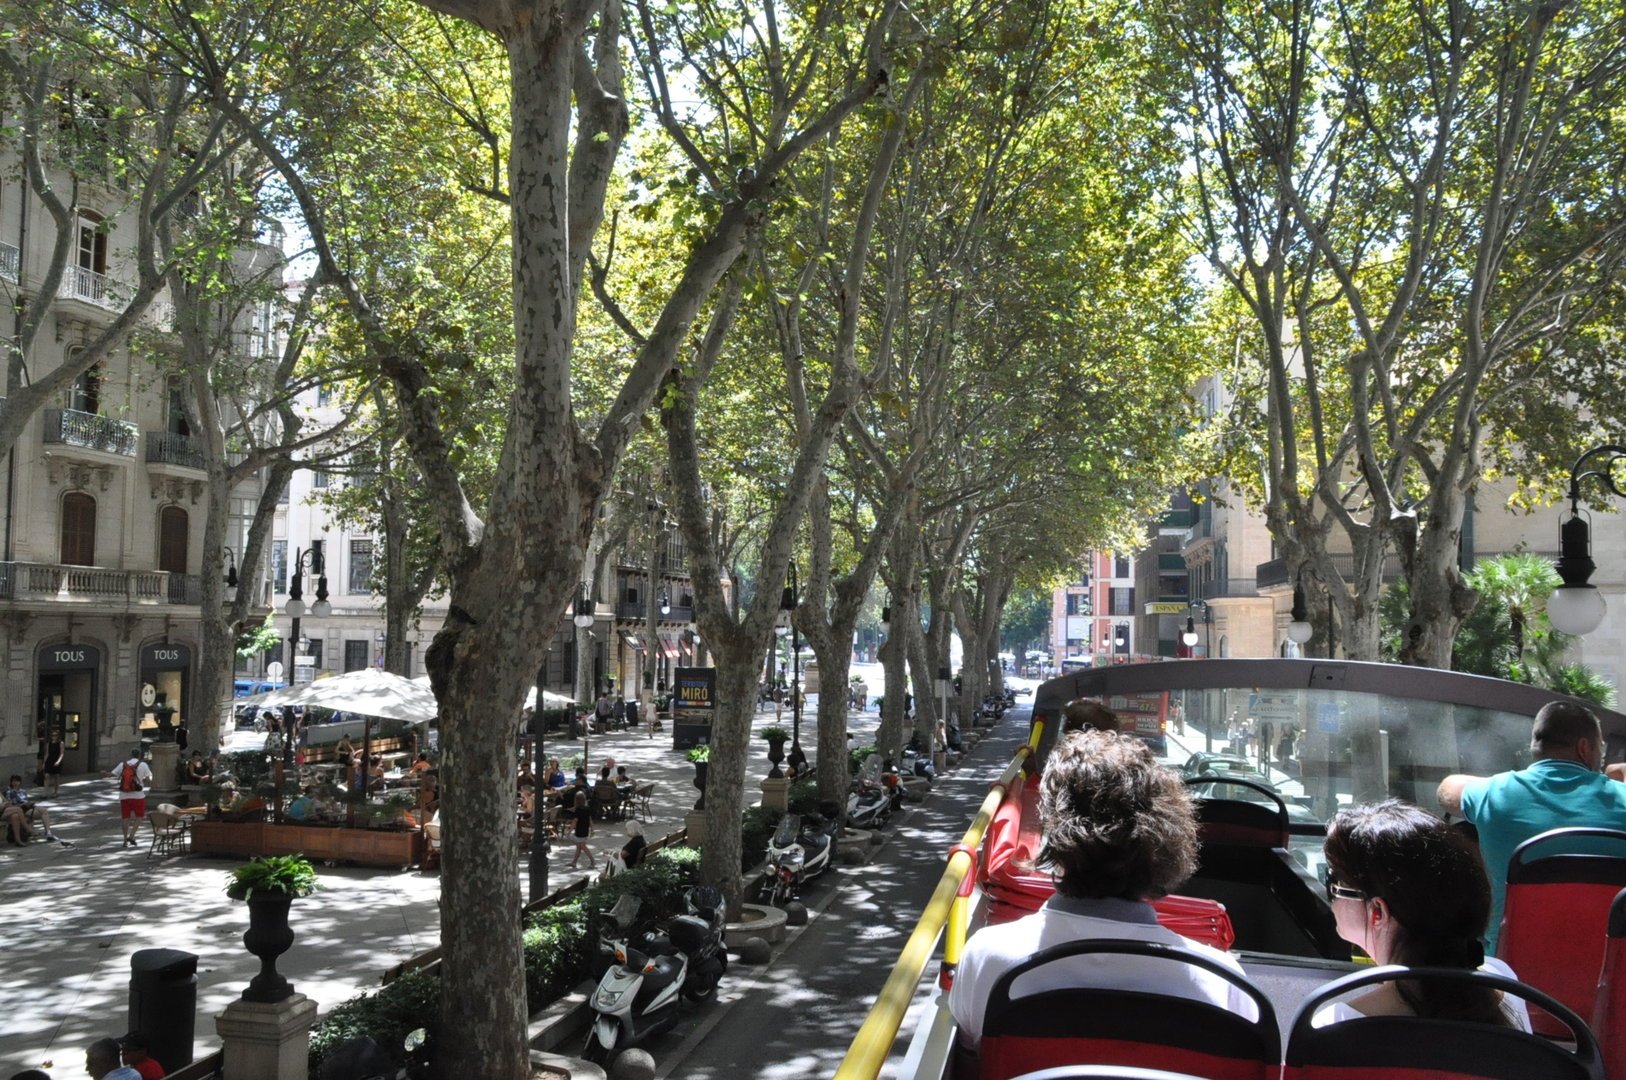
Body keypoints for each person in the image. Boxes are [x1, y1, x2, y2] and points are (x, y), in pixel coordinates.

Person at [947, 731, 1255, 1051]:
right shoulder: (1221, 981)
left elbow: (974, 1053)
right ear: (1167, 839)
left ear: (1054, 833)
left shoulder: (988, 955)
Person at [1316, 800, 1530, 1030]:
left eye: (1333, 882)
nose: (1331, 897)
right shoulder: (1504, 981)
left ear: (1377, 912)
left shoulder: (1336, 1023)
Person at [1437, 700, 1626, 952]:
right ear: (1584, 748)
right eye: (1599, 750)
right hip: (1610, 976)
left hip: (1513, 978)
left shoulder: (1496, 793)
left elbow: (1447, 789)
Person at [110, 749, 153, 848]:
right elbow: (148, 779)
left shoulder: (123, 764)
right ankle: (132, 835)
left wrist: (105, 773)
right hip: (138, 796)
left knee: (125, 818)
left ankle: (125, 840)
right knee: (140, 816)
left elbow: (112, 774)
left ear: (131, 755)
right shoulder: (143, 765)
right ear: (140, 756)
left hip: (124, 795)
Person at [4, 775, 55, 843]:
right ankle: (31, 831)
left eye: (17, 781)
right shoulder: (10, 792)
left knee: (44, 811)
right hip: (19, 809)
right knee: (30, 811)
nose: (15, 783)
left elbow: (26, 800)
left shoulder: (23, 791)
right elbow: (10, 804)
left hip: (28, 808)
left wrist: (29, 803)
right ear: (11, 782)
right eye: (14, 781)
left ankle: (48, 832)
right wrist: (21, 805)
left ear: (20, 782)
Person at [568, 789, 594, 870]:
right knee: (579, 847)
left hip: (579, 830)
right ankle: (574, 862)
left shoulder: (578, 809)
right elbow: (590, 820)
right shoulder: (587, 808)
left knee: (582, 846)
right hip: (585, 829)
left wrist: (569, 830)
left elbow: (575, 821)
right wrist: (592, 829)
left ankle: (593, 861)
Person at [42, 729, 64, 796]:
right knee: (47, 776)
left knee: (56, 777)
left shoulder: (61, 743)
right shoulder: (49, 743)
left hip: (56, 760)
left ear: (58, 736)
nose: (54, 737)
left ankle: (55, 792)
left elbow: (62, 753)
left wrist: (58, 761)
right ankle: (45, 793)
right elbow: (47, 753)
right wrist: (44, 763)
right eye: (52, 735)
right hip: (49, 760)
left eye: (55, 735)